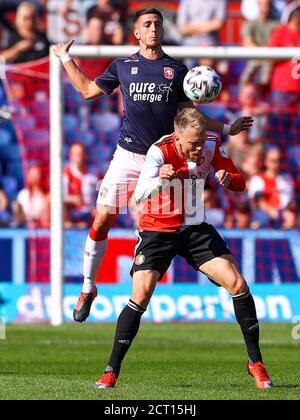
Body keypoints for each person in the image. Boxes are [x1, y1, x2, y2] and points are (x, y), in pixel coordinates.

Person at [53, 8, 254, 323]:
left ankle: (213, 268)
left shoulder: (177, 69)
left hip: (166, 156)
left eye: (158, 23)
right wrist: (66, 59)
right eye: (147, 24)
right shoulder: (123, 66)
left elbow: (192, 119)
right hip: (129, 155)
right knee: (102, 218)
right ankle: (88, 287)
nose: (154, 28)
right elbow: (87, 90)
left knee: (182, 222)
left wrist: (228, 128)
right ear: (136, 32)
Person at [95, 108, 272, 390]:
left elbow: (240, 182)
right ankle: (111, 371)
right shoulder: (159, 151)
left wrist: (229, 180)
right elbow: (139, 195)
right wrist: (160, 180)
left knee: (238, 283)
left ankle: (256, 363)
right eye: (193, 143)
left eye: (202, 141)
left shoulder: (212, 145)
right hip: (157, 230)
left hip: (194, 228)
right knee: (140, 296)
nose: (199, 148)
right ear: (177, 138)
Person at [240, 0, 279, 87]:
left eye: (266, 4)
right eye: (262, 4)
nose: (264, 7)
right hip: (256, 58)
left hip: (270, 59)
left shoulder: (276, 25)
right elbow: (247, 44)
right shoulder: (250, 24)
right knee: (251, 69)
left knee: (266, 72)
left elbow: (278, 44)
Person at [268, 5, 300, 110]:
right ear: (295, 18)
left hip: (298, 90)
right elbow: (270, 58)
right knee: (279, 122)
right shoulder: (280, 32)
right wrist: (289, 54)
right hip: (282, 90)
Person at [63, 143, 98, 228]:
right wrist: (73, 199)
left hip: (91, 212)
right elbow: (60, 196)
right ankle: (70, 224)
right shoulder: (66, 173)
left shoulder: (94, 174)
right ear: (70, 156)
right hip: (72, 212)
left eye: (80, 154)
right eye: (75, 154)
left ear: (85, 156)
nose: (78, 157)